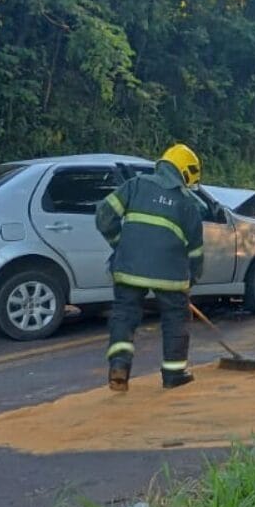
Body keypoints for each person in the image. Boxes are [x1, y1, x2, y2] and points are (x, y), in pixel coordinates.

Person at [96, 143, 205, 392]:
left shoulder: (135, 186)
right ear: (185, 173)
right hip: (171, 276)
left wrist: (119, 243)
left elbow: (104, 216)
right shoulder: (188, 204)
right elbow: (196, 252)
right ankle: (174, 374)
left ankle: (119, 366)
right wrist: (191, 281)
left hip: (129, 269)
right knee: (176, 317)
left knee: (124, 315)